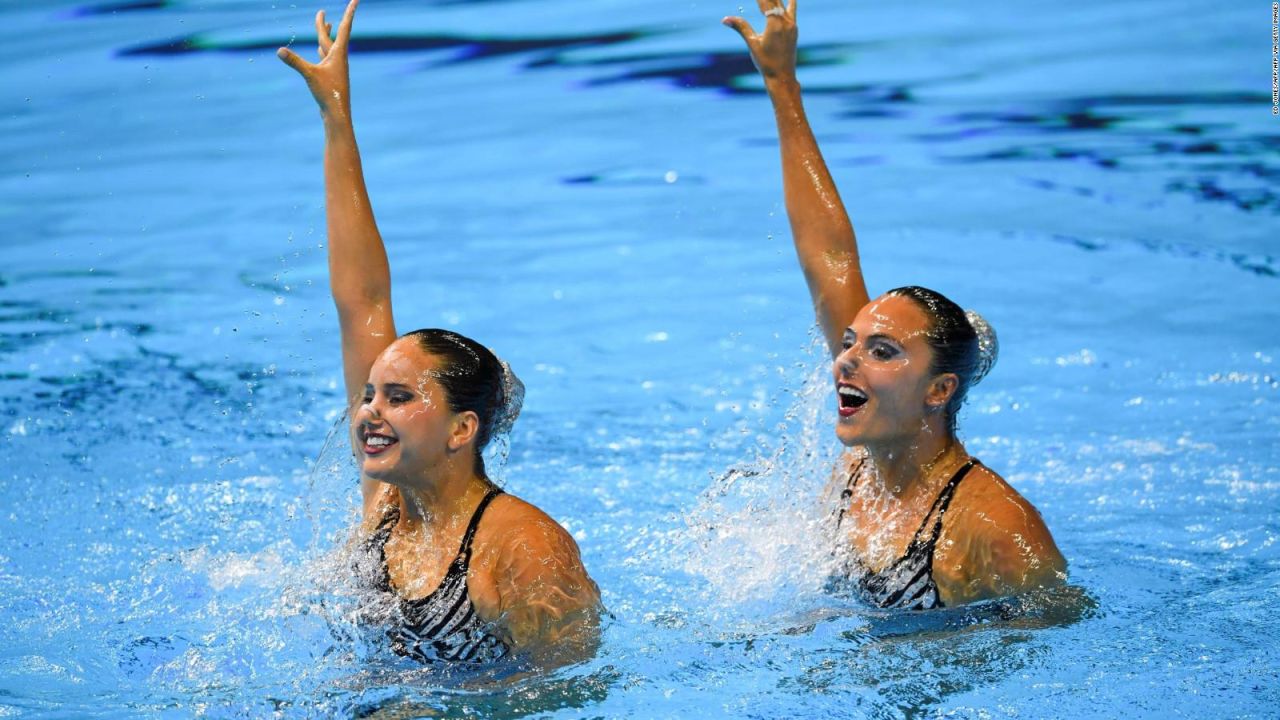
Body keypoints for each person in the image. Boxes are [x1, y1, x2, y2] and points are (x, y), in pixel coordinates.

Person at [276, 0, 599, 663]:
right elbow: (361, 299)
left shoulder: (525, 551)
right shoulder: (388, 507)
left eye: (398, 397)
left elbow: (574, 691)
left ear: (460, 429)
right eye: (371, 393)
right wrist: (337, 121)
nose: (368, 410)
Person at [723, 0, 1066, 610]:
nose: (846, 360)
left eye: (881, 351)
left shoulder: (992, 526)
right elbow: (829, 259)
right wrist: (781, 85)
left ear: (938, 390)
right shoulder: (863, 466)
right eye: (850, 342)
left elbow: (1062, 637)